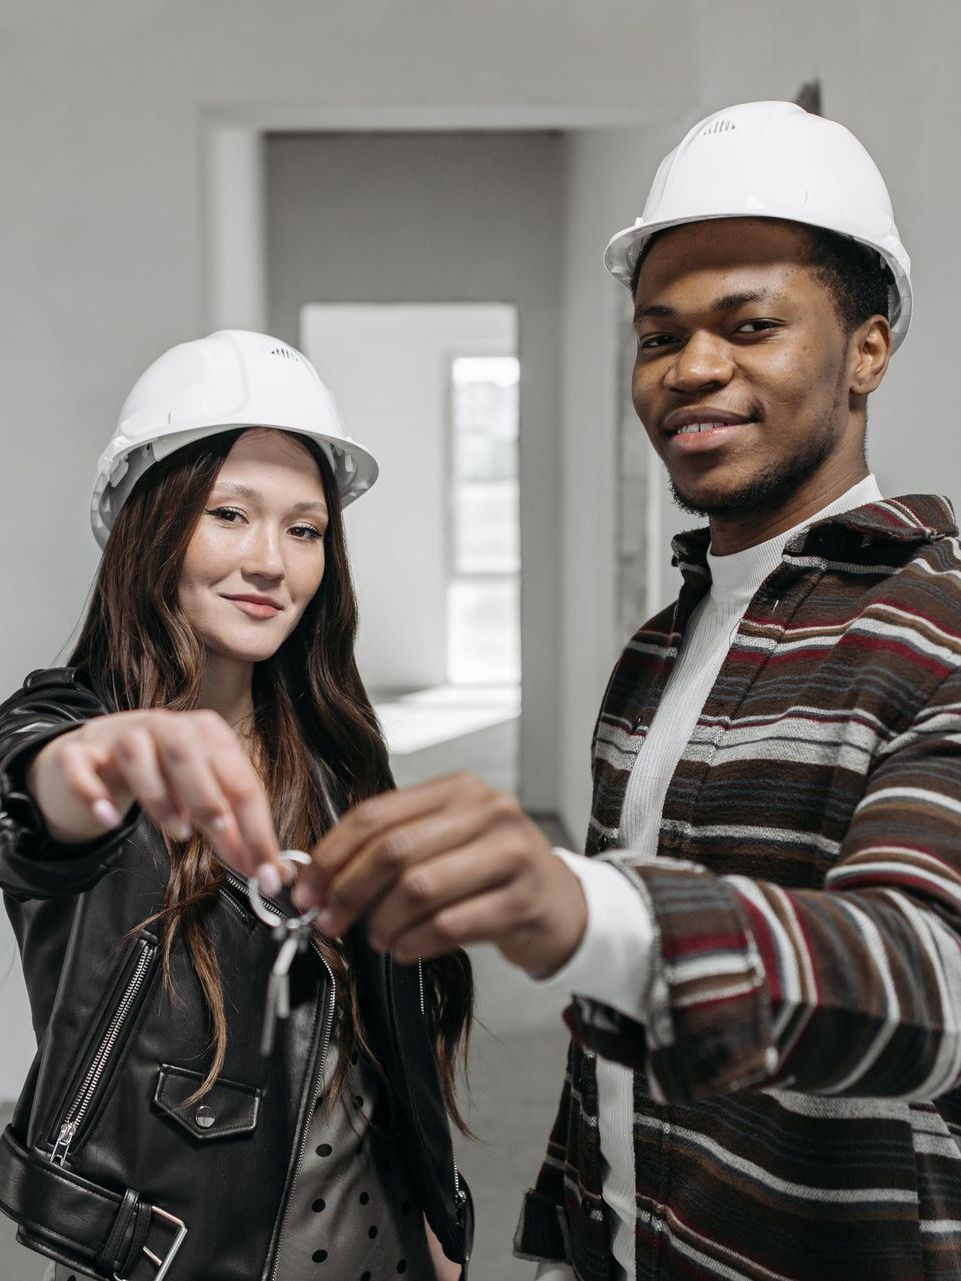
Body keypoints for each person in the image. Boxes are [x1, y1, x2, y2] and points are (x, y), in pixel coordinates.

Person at [284, 100, 961, 1281]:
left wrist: (582, 904)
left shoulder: (936, 623)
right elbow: (617, 1014)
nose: (695, 368)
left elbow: (928, 982)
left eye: (750, 324)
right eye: (658, 337)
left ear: (868, 348)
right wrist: (561, 1230)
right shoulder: (657, 654)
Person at [0, 329, 473, 1281]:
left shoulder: (335, 751)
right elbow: (35, 783)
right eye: (229, 514)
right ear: (150, 521)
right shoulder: (77, 728)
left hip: (380, 1248)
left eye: (304, 529)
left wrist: (435, 1209)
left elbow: (385, 1026)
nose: (271, 561)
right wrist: (100, 753)